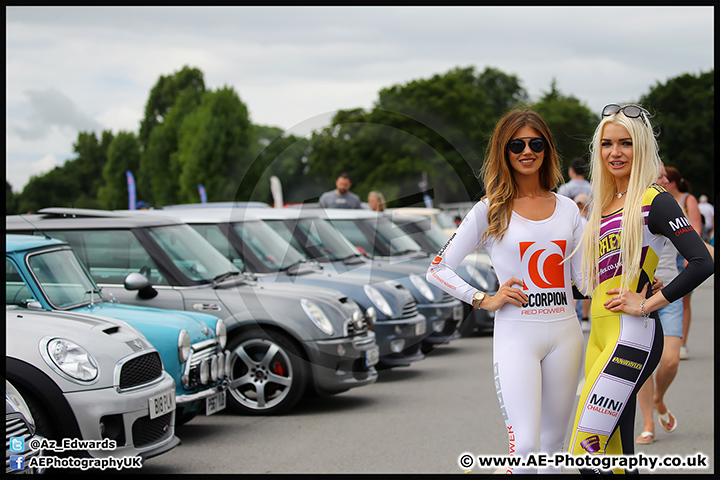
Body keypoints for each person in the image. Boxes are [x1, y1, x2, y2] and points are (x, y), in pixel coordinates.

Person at [427, 108, 585, 474]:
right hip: (517, 336)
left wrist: (640, 285)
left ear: (547, 149)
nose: (527, 151)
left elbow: (585, 279)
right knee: (526, 448)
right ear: (504, 150)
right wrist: (484, 299)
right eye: (517, 144)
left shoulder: (568, 209)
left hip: (566, 334)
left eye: (536, 143)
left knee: (553, 450)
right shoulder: (490, 209)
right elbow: (438, 268)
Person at [567, 104, 713, 474]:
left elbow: (703, 261)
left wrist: (648, 301)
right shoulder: (601, 204)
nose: (615, 152)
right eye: (607, 143)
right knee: (615, 454)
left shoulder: (655, 201)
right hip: (598, 332)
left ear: (642, 147)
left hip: (632, 336)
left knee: (587, 450)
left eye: (626, 143)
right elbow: (588, 280)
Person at [635, 163, 683, 445]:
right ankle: (648, 423)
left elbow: (696, 246)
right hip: (641, 298)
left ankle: (658, 397)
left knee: (671, 360)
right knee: (643, 366)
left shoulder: (671, 206)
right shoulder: (633, 210)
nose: (667, 179)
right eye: (661, 175)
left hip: (671, 294)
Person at [664, 166, 704, 360]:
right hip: (665, 255)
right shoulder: (659, 200)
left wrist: (691, 255)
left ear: (672, 182)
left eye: (665, 177)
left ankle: (682, 342)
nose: (662, 180)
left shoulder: (687, 200)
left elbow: (695, 227)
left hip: (682, 256)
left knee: (683, 301)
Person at [573, 192, 592, 332]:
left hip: (573, 260)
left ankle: (573, 316)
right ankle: (584, 318)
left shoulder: (572, 221)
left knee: (573, 289)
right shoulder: (589, 223)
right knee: (586, 289)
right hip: (587, 259)